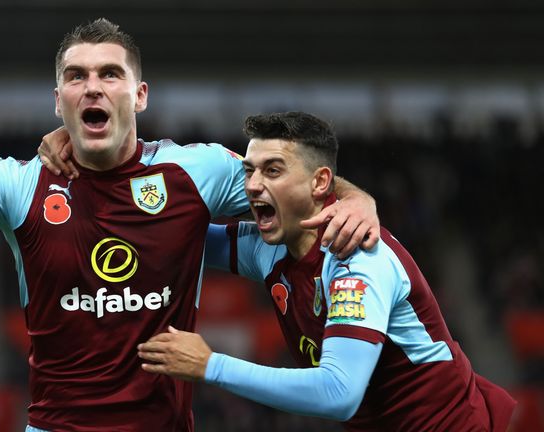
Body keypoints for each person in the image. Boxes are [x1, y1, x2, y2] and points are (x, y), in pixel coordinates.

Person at [0, 20, 379, 432]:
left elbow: (299, 185)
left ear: (139, 94)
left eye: (109, 74)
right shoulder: (19, 183)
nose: (92, 86)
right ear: (58, 100)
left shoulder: (195, 171)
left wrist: (360, 200)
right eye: (76, 76)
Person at [137, 112, 517, 431]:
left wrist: (210, 365)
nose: (252, 185)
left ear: (320, 182)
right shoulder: (271, 248)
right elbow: (172, 236)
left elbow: (339, 393)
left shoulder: (356, 257)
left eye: (272, 171)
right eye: (250, 171)